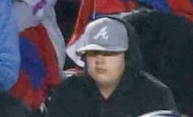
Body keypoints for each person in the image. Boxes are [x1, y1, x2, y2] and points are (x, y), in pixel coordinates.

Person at [45, 15, 178, 117]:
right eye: (93, 53)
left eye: (109, 53)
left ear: (127, 56)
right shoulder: (67, 92)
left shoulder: (155, 95)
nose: (100, 60)